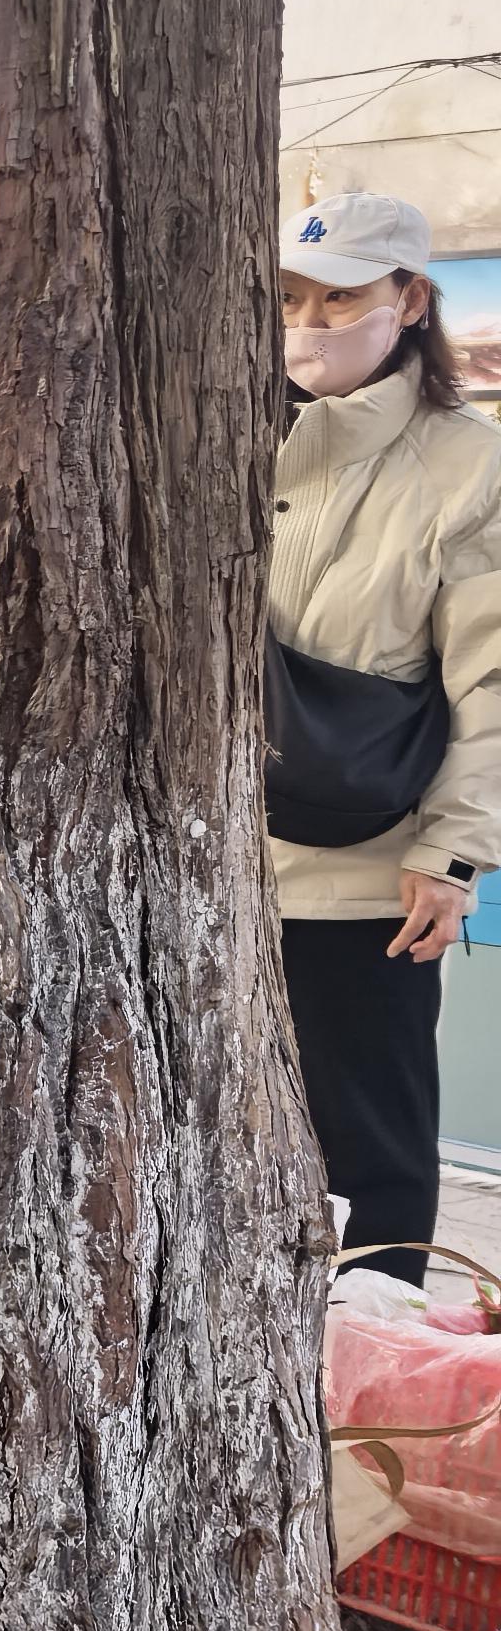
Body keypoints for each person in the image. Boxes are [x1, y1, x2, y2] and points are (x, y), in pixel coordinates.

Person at [272, 188, 501, 1286]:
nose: (309, 323)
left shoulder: (469, 464)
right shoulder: (216, 430)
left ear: (409, 300)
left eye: (340, 297)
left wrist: (451, 852)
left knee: (371, 1157)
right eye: (290, 299)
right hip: (203, 862)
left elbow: (490, 681)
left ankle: (376, 1367)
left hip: (365, 875)